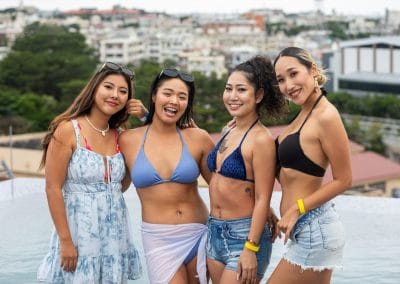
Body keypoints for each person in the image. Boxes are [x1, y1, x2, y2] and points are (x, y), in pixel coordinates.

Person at [37, 62, 143, 283]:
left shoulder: (120, 135)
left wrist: (145, 117)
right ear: (94, 88)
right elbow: (52, 188)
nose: (115, 95)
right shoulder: (68, 130)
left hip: (115, 235)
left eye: (123, 91)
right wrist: (66, 241)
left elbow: (120, 187)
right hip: (79, 234)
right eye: (108, 87)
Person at [119, 68, 215, 284]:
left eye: (182, 97)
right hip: (158, 238)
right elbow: (117, 186)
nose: (174, 101)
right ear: (154, 95)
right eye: (168, 93)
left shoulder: (198, 138)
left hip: (199, 232)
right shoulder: (128, 140)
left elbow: (221, 186)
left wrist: (263, 208)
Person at [268, 47, 352, 284]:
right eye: (281, 80)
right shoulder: (304, 113)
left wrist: (296, 208)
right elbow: (286, 173)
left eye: (294, 74)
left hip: (315, 228)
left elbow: (344, 180)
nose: (288, 85)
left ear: (312, 70)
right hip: (306, 230)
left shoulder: (326, 116)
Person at [206, 56, 286, 283]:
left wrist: (251, 248)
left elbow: (262, 197)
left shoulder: (261, 140)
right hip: (214, 231)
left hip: (243, 237)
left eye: (241, 90)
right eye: (228, 89)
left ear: (258, 95)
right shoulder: (227, 131)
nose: (232, 96)